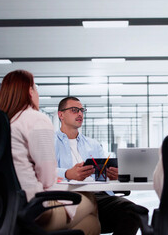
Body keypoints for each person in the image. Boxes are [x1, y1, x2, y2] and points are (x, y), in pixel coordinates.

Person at [0, 70, 100, 235]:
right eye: (36, 90)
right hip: (33, 209)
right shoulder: (35, 119)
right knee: (91, 201)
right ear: (31, 92)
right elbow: (47, 178)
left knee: (90, 223)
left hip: (1, 209)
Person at [55, 96, 141, 235]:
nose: (80, 114)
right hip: (70, 197)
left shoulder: (93, 144)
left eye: (82, 110)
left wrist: (113, 175)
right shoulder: (51, 142)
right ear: (61, 114)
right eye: (74, 110)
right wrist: (67, 173)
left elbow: (103, 172)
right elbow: (43, 171)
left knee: (134, 212)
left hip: (98, 195)